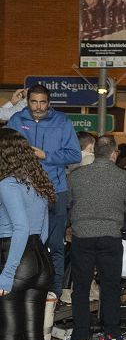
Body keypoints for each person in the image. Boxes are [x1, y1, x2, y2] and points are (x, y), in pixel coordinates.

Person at [0, 128, 55, 340]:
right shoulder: (37, 183)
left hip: (15, 257)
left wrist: (7, 274)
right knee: (34, 339)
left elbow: (18, 228)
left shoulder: (7, 184)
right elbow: (42, 230)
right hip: (40, 260)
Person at [6, 85, 81, 303]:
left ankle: (54, 293)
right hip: (23, 190)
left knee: (56, 245)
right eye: (33, 102)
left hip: (55, 190)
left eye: (43, 102)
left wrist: (45, 155)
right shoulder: (16, 121)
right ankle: (23, 289)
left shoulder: (62, 122)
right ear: (27, 101)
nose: (38, 107)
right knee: (24, 240)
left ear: (49, 103)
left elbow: (74, 154)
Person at [66, 135, 126, 340]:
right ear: (114, 154)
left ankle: (80, 336)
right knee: (111, 286)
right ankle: (112, 335)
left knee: (81, 287)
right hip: (110, 236)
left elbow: (69, 203)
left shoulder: (76, 176)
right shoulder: (124, 178)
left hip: (82, 236)